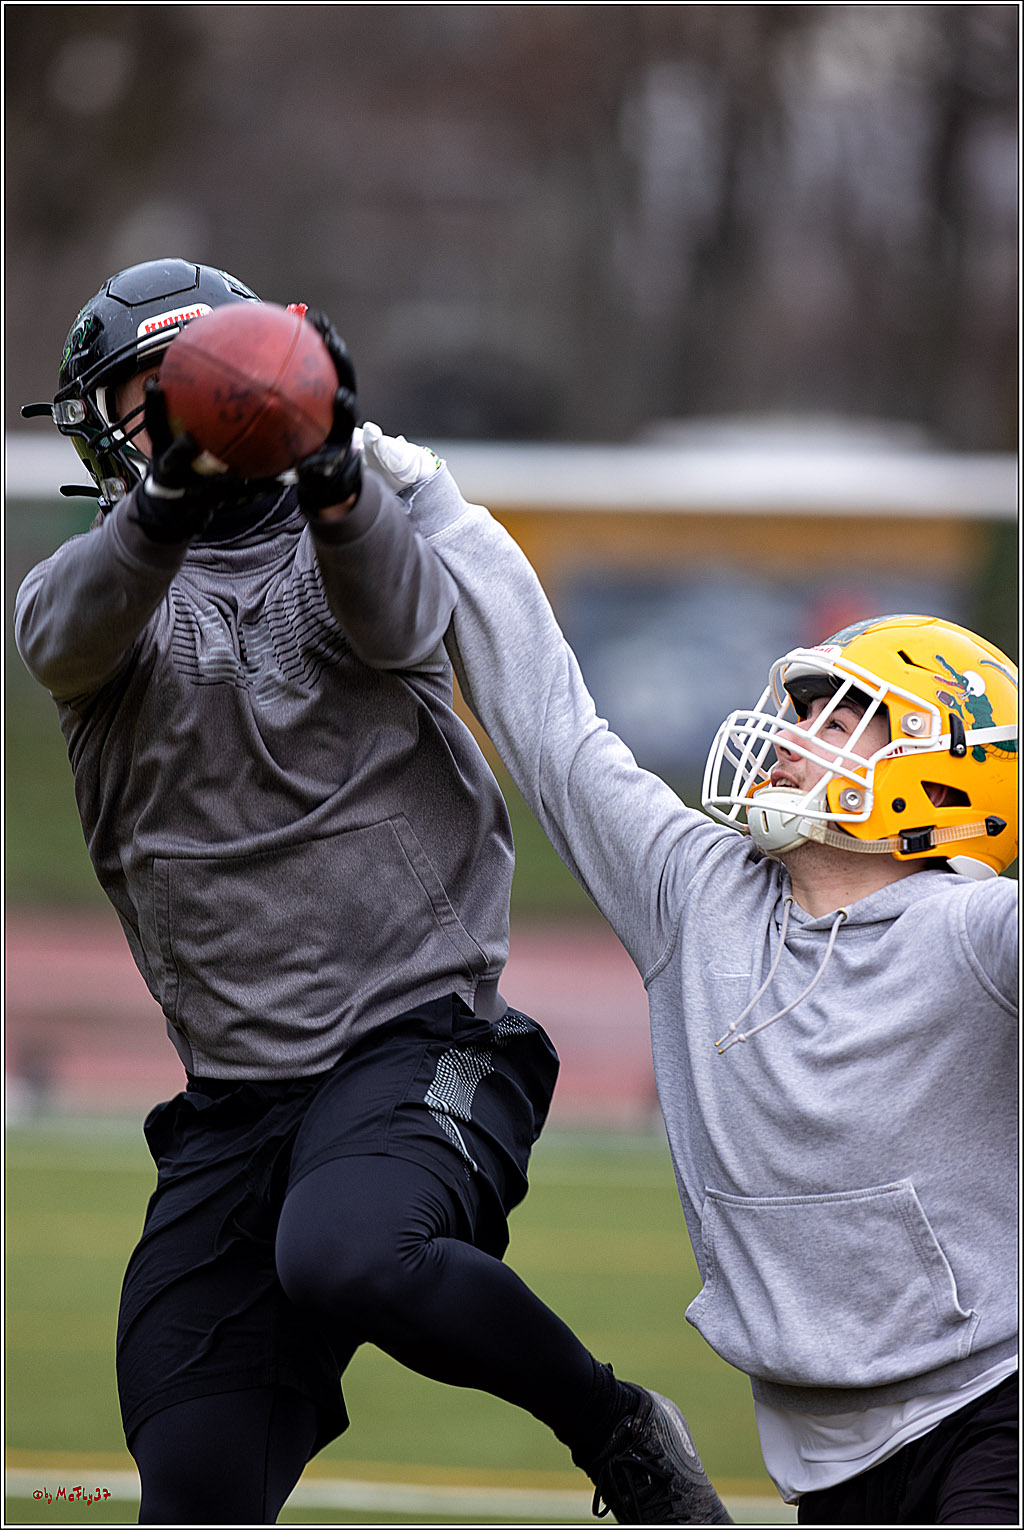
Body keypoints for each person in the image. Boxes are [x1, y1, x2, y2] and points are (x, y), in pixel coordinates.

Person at [15, 258, 733, 1528]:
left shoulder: (360, 535)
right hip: (232, 1101)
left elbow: (400, 618)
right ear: (104, 427)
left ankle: (614, 1430)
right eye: (151, 397)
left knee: (349, 1249)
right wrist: (177, 490)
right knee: (191, 1485)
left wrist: (334, 475)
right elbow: (64, 635)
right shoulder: (95, 589)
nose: (178, 416)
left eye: (203, 388)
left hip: (417, 1039)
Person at [366, 435, 1019, 1526]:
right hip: (826, 1452)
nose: (795, 733)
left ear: (951, 768)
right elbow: (549, 726)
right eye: (804, 706)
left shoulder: (976, 929)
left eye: (842, 714)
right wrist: (431, 503)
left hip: (996, 1403)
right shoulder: (693, 891)